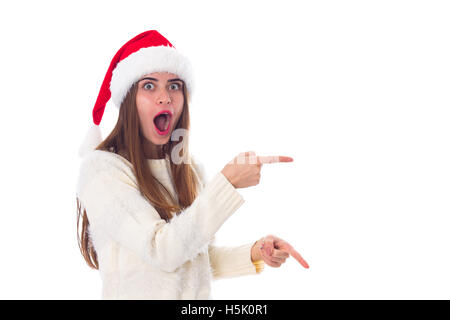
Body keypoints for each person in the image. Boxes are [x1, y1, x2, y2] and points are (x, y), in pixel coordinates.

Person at [76, 30, 309, 300]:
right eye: (149, 86)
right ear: (128, 99)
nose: (165, 97)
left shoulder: (187, 171)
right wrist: (227, 184)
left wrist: (255, 252)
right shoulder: (103, 171)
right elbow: (162, 251)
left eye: (174, 85)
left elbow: (193, 257)